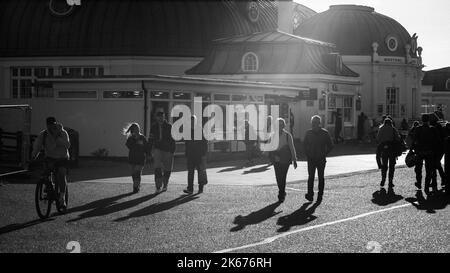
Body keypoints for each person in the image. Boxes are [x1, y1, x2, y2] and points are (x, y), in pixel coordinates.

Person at [32, 117, 71, 210]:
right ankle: (48, 186)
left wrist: (57, 138)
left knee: (61, 174)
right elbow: (37, 146)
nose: (50, 127)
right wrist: (33, 156)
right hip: (50, 158)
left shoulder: (63, 132)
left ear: (55, 123)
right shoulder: (44, 134)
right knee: (46, 173)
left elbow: (68, 145)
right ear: (46, 125)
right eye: (49, 125)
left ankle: (62, 197)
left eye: (52, 124)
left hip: (62, 157)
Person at [303, 115, 334, 201]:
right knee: (311, 177)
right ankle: (310, 194)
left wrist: (324, 154)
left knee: (321, 177)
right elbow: (304, 145)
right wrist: (308, 154)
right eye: (313, 122)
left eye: (316, 122)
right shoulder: (308, 133)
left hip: (321, 159)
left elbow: (331, 145)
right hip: (311, 159)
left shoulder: (325, 133)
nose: (314, 124)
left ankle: (320, 195)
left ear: (319, 123)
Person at [411, 114, 441, 196]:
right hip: (429, 152)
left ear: (422, 120)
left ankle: (419, 183)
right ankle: (426, 187)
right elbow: (437, 141)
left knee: (418, 169)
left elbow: (414, 140)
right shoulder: (432, 129)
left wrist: (412, 149)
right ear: (428, 120)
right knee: (429, 171)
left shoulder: (418, 129)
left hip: (420, 152)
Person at [269, 118, 297, 203]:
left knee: (283, 176)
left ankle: (281, 194)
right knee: (278, 177)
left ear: (284, 126)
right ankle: (282, 191)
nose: (280, 126)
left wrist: (294, 159)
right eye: (278, 125)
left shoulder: (288, 135)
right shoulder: (273, 135)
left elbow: (292, 148)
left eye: (281, 125)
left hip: (285, 159)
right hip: (276, 158)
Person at [149, 109, 176, 193]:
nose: (160, 118)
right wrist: (149, 151)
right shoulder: (153, 127)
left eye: (162, 117)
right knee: (157, 168)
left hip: (168, 150)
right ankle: (158, 186)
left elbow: (173, 139)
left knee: (167, 169)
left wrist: (172, 151)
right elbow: (151, 139)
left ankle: (165, 184)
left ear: (164, 117)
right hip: (158, 149)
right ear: (156, 118)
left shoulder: (169, 126)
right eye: (159, 117)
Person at [183, 115, 208, 194]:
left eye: (193, 120)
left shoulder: (200, 130)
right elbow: (186, 143)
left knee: (200, 172)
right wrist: (186, 153)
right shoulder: (187, 131)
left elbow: (205, 142)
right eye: (191, 121)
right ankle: (190, 189)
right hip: (190, 155)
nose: (192, 122)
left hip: (199, 155)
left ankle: (200, 188)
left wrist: (203, 154)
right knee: (190, 172)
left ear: (196, 121)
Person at [376, 117, 401, 191]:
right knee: (392, 166)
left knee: (384, 165)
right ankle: (390, 182)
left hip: (384, 149)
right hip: (392, 149)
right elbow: (398, 139)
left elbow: (378, 138)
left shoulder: (381, 128)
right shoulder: (393, 129)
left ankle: (383, 180)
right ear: (391, 123)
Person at [125, 123, 149, 193]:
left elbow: (146, 147)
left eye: (138, 128)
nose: (137, 130)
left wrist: (148, 154)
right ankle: (136, 185)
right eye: (135, 129)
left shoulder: (142, 137)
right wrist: (134, 140)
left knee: (137, 172)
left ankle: (136, 187)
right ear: (132, 130)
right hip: (132, 158)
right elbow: (128, 146)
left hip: (141, 158)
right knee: (133, 173)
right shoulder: (130, 138)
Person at [429, 113, 446, 189]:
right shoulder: (440, 127)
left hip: (436, 148)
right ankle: (441, 180)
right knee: (436, 164)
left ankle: (437, 181)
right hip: (440, 149)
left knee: (435, 165)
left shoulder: (434, 127)